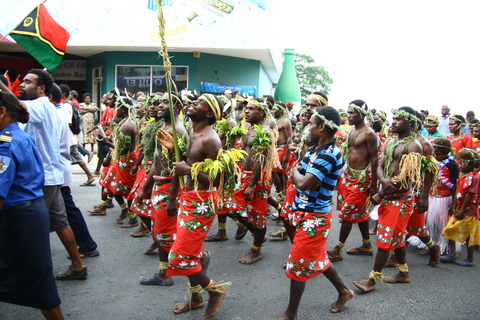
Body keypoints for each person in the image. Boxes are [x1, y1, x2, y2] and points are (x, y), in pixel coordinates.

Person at [273, 107, 354, 320]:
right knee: (318, 259)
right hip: (304, 213)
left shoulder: (329, 154)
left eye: (311, 123)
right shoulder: (314, 150)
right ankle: (344, 292)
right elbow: (300, 174)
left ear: (321, 127)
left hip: (315, 218)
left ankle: (291, 314)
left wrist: (294, 173)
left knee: (298, 264)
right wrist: (297, 174)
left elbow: (304, 182)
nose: (307, 126)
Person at [11, 69, 87, 280]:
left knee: (32, 227)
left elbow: (15, 105)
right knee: (61, 223)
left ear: (41, 88)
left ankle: (35, 275)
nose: (22, 85)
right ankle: (78, 264)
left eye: (27, 82)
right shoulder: (51, 108)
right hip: (51, 176)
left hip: (40, 179)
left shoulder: (38, 105)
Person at [161, 94, 230, 318]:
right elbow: (181, 165)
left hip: (201, 202)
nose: (191, 104)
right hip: (187, 196)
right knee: (188, 255)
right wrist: (173, 197)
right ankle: (196, 296)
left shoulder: (211, 139)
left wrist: (188, 170)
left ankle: (216, 291)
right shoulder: (191, 132)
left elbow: (219, 181)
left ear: (209, 114)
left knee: (179, 258)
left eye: (198, 103)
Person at [0, 90, 64, 319]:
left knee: (39, 281)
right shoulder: (17, 136)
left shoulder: (5, 144)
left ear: (2, 112)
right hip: (27, 212)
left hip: (20, 217)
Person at [353, 107, 423, 292]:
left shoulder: (415, 146)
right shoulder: (391, 142)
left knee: (385, 240)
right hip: (390, 198)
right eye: (393, 118)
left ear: (409, 122)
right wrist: (382, 180)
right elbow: (381, 165)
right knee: (397, 239)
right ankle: (403, 273)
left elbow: (405, 177)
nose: (393, 122)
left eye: (398, 119)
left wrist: (381, 193)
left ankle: (371, 280)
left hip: (400, 200)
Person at [137, 91, 186, 285]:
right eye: (160, 102)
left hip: (169, 189)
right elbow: (158, 163)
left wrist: (173, 198)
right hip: (160, 186)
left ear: (178, 108)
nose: (159, 105)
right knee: (160, 233)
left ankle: (165, 275)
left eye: (166, 102)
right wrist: (145, 188)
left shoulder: (178, 131)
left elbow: (177, 168)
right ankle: (167, 270)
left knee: (165, 234)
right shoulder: (163, 127)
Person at [50, 84, 99, 258]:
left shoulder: (62, 110)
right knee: (64, 212)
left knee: (66, 211)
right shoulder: (60, 110)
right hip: (56, 170)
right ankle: (86, 246)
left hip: (56, 170)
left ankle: (85, 247)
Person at [328, 100, 378, 261]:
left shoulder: (369, 133)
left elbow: (375, 159)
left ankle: (338, 248)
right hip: (347, 177)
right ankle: (366, 244)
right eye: (348, 112)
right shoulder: (350, 132)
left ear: (362, 114)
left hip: (362, 180)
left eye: (351, 113)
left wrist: (374, 184)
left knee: (348, 213)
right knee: (360, 213)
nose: (348, 115)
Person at [232, 98, 277, 264]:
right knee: (233, 210)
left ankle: (256, 250)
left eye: (251, 109)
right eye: (246, 109)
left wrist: (252, 185)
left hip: (257, 179)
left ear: (262, 113)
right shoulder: (250, 129)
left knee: (258, 216)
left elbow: (261, 161)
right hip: (245, 175)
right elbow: (244, 154)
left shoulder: (264, 132)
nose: (247, 112)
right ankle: (259, 235)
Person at [441, 149, 480, 266]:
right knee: (449, 229)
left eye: (465, 164)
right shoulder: (463, 175)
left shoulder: (475, 177)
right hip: (459, 208)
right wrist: (454, 206)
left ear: (472, 165)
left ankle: (470, 258)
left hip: (469, 210)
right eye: (461, 162)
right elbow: (457, 191)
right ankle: (452, 253)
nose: (461, 165)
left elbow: (469, 195)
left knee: (469, 234)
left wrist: (462, 211)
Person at [58, 84, 95, 186]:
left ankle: (90, 176)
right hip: (69, 138)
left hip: (68, 138)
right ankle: (89, 176)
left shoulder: (66, 106)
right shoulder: (66, 105)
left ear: (63, 93)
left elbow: (67, 123)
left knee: (77, 158)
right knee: (75, 158)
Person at [426, 138, 458, 254]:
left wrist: (454, 203)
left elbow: (455, 185)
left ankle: (447, 248)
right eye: (435, 153)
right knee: (431, 223)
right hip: (433, 196)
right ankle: (432, 247)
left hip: (444, 199)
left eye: (438, 154)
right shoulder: (433, 161)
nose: (436, 156)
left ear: (446, 153)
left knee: (444, 224)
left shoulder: (452, 165)